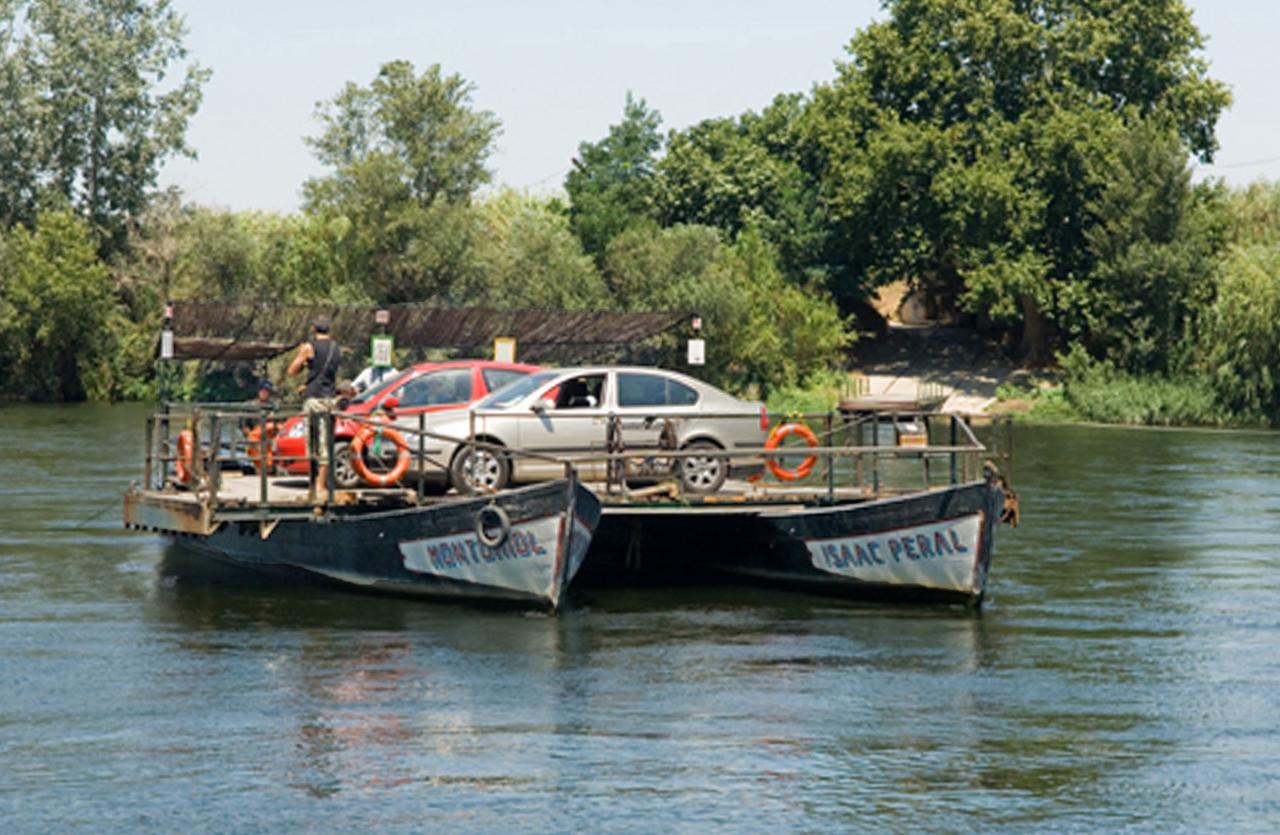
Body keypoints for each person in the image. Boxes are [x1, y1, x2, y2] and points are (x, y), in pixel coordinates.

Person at [287, 315, 342, 500]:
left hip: (314, 400)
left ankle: (315, 486)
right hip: (330, 400)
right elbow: (326, 374)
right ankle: (321, 485)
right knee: (326, 442)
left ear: (313, 329)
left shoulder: (309, 347)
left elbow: (291, 371)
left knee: (312, 444)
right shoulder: (337, 348)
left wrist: (302, 357)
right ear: (329, 330)